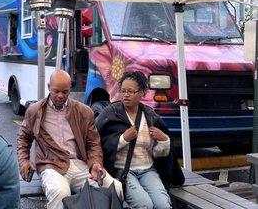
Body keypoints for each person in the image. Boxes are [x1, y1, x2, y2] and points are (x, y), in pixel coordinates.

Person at [17, 70, 122, 209]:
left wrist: (95, 163)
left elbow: (93, 143)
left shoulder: (84, 111)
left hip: (80, 165)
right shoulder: (35, 111)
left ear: (70, 90)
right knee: (60, 192)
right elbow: (23, 138)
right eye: (56, 91)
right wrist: (24, 161)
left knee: (116, 187)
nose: (61, 96)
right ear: (49, 87)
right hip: (51, 165)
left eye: (65, 92)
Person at [95, 71, 184, 209]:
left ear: (142, 93)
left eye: (130, 91)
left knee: (163, 205)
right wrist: (123, 139)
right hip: (123, 170)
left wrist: (164, 140)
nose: (126, 95)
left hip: (148, 169)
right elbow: (98, 143)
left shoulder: (151, 116)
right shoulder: (110, 114)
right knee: (144, 205)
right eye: (123, 91)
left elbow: (159, 155)